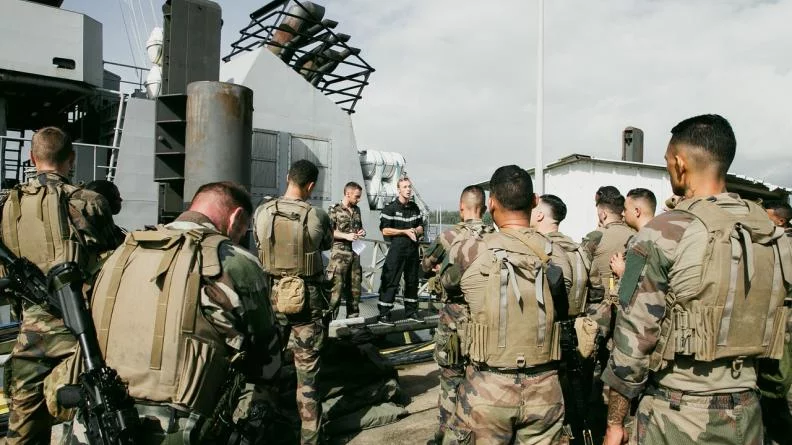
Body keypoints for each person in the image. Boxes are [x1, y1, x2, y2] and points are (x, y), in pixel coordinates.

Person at [603, 114, 792, 445]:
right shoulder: (772, 235)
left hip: (677, 415)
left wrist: (615, 422)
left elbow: (632, 342)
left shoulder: (662, 232)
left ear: (678, 164)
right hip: (748, 411)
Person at [61, 181, 282, 443]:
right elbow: (267, 356)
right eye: (242, 229)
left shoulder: (119, 253)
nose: (238, 235)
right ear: (236, 217)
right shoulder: (234, 260)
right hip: (180, 428)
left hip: (96, 422)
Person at [0, 127, 117, 444]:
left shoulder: (6, 206)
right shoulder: (88, 203)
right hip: (83, 334)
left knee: (21, 427)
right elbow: (119, 260)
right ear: (72, 159)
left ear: (31, 157)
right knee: (99, 418)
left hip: (31, 334)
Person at [442, 165, 569, 444]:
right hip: (546, 386)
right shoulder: (558, 252)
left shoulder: (470, 249)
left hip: (487, 388)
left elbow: (447, 284)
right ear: (534, 201)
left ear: (491, 204)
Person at [254, 159, 332, 445]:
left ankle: (259, 433)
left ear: (288, 177)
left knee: (266, 372)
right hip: (307, 303)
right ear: (311, 185)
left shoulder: (262, 212)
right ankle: (310, 439)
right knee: (308, 377)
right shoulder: (318, 216)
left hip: (272, 298)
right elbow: (325, 245)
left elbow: (259, 245)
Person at [420, 185, 493, 443]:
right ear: (483, 209)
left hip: (453, 317)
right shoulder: (495, 237)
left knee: (451, 378)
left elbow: (424, 266)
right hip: (486, 318)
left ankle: (445, 434)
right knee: (481, 377)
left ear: (461, 208)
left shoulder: (449, 235)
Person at [378, 177, 425, 323]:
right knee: (391, 280)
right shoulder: (390, 208)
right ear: (398, 189)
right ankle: (384, 313)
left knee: (412, 281)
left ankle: (411, 312)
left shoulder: (415, 208)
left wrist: (416, 231)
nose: (408, 189)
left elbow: (421, 227)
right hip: (397, 250)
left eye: (409, 187)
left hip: (412, 250)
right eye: (405, 187)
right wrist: (405, 232)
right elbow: (385, 230)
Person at [326, 182, 366, 318]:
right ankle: (329, 324)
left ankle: (353, 324)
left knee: (354, 291)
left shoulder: (357, 210)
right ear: (347, 193)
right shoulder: (334, 210)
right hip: (339, 256)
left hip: (355, 254)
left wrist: (361, 232)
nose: (358, 199)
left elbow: (359, 227)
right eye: (357, 196)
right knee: (335, 291)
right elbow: (329, 232)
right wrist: (346, 236)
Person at [609, 187, 657, 279]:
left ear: (637, 211)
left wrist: (622, 271)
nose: (623, 213)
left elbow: (647, 285)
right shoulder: (661, 235)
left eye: (625, 209)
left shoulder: (642, 241)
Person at [84, 179, 126, 246]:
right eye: (117, 196)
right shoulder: (109, 233)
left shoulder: (86, 226)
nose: (121, 199)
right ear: (105, 201)